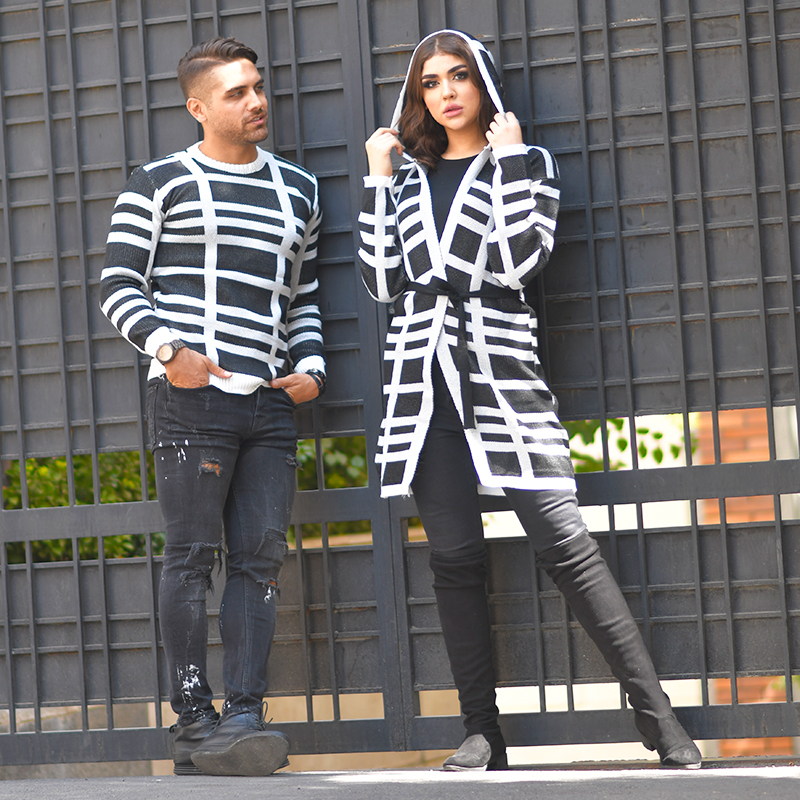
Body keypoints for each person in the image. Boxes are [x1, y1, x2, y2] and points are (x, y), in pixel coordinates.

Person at [358, 29, 702, 772]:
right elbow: (382, 282)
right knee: (454, 559)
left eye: (458, 76)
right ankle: (482, 732)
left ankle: (659, 720)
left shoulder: (527, 162)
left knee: (568, 548)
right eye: (429, 83)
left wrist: (509, 160)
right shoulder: (407, 180)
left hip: (504, 376)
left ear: (482, 83)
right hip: (423, 387)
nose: (446, 92)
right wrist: (378, 180)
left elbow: (518, 261)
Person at [100, 36, 326, 777]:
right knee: (192, 559)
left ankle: (245, 718)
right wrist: (171, 351)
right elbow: (118, 285)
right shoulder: (159, 182)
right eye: (236, 92)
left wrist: (312, 369)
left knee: (259, 561)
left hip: (270, 405)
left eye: (257, 86)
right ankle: (194, 723)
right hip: (190, 401)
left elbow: (301, 298)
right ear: (198, 107)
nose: (256, 101)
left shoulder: (300, 190)